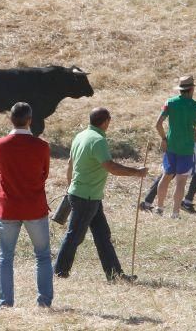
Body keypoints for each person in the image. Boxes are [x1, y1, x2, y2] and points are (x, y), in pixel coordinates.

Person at [54, 107, 147, 282]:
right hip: (86, 197)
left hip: (87, 195)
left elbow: (70, 164)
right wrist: (137, 172)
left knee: (102, 236)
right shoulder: (98, 141)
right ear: (106, 122)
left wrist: (70, 188)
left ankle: (114, 275)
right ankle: (59, 272)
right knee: (74, 236)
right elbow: (111, 167)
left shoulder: (80, 136)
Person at [0, 102, 53, 308]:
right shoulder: (42, 146)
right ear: (30, 120)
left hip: (8, 207)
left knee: (5, 257)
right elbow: (44, 174)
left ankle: (5, 303)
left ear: (11, 119)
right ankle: (44, 301)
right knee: (43, 256)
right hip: (35, 206)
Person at [153, 76, 196, 218]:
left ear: (181, 90)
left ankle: (159, 208)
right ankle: (175, 213)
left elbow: (158, 124)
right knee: (181, 181)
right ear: (192, 89)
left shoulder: (170, 103)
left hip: (171, 146)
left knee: (166, 176)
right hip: (186, 149)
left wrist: (163, 139)